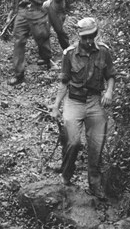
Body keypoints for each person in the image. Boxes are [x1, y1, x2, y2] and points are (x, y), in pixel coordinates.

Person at [50, 17, 116, 200]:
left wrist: (109, 92)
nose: (88, 41)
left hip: (95, 101)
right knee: (73, 142)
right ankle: (66, 174)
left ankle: (95, 184)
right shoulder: (69, 54)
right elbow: (64, 82)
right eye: (85, 37)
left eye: (91, 36)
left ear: (95, 35)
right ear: (79, 36)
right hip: (74, 101)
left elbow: (110, 75)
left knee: (96, 144)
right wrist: (56, 107)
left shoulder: (104, 51)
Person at [9, 0, 54, 85]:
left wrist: (49, 0)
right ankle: (19, 74)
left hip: (37, 9)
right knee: (19, 41)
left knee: (42, 37)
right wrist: (12, 12)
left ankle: (47, 59)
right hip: (22, 11)